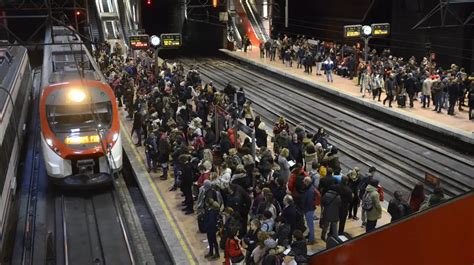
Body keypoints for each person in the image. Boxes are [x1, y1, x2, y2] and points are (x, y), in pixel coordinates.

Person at [301, 177, 317, 244]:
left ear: (307, 182)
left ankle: (311, 239)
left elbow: (309, 201)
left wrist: (305, 208)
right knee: (309, 224)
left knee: (310, 225)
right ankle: (310, 235)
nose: (303, 183)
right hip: (309, 208)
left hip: (309, 209)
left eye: (304, 182)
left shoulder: (310, 190)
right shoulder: (311, 188)